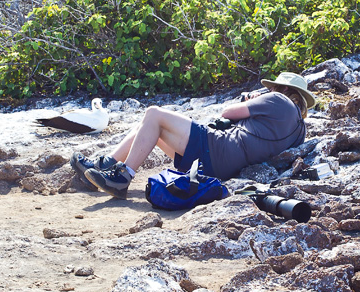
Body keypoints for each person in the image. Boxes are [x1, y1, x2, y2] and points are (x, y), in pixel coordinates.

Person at [73, 71, 315, 198]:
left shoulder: (277, 100)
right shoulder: (299, 130)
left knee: (153, 114)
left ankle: (123, 177)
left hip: (217, 149)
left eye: (272, 87)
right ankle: (106, 166)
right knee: (150, 129)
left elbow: (228, 112)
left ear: (283, 90)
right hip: (222, 167)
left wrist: (254, 99)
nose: (268, 89)